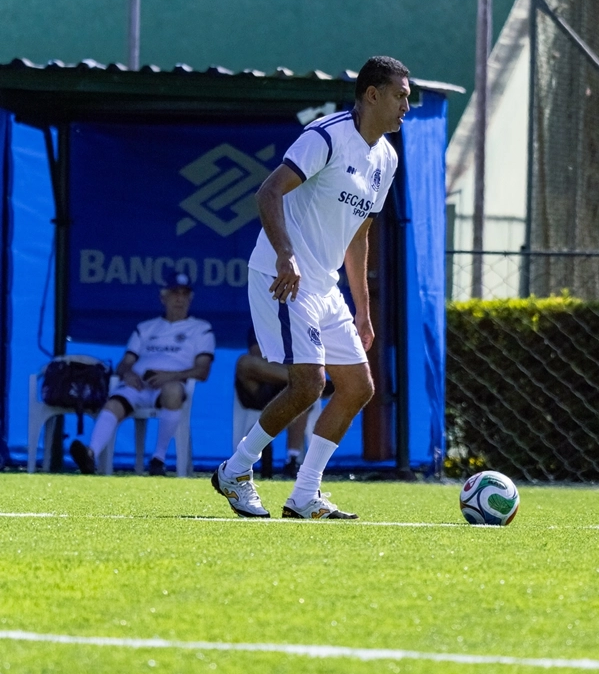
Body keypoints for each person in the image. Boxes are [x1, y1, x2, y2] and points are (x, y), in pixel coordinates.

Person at [212, 55, 410, 520]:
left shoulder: (386, 158)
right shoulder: (326, 135)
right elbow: (268, 192)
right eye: (400, 96)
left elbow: (360, 235)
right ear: (372, 94)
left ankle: (304, 495)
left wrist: (362, 310)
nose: (406, 105)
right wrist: (286, 254)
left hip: (325, 285)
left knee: (358, 386)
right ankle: (237, 469)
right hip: (283, 276)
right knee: (308, 385)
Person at [70, 271, 215, 476]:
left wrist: (169, 376)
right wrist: (127, 374)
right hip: (139, 384)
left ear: (190, 298)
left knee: (173, 391)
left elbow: (203, 370)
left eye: (185, 294)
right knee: (114, 402)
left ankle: (158, 459)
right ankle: (90, 455)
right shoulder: (145, 328)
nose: (180, 299)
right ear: (163, 297)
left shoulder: (201, 329)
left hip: (169, 386)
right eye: (175, 293)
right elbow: (125, 363)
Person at [234, 325, 311, 479]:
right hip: (261, 389)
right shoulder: (260, 322)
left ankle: (293, 459)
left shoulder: (301, 325)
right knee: (244, 362)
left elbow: (309, 359)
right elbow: (257, 356)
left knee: (303, 395)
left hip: (290, 391)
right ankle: (301, 381)